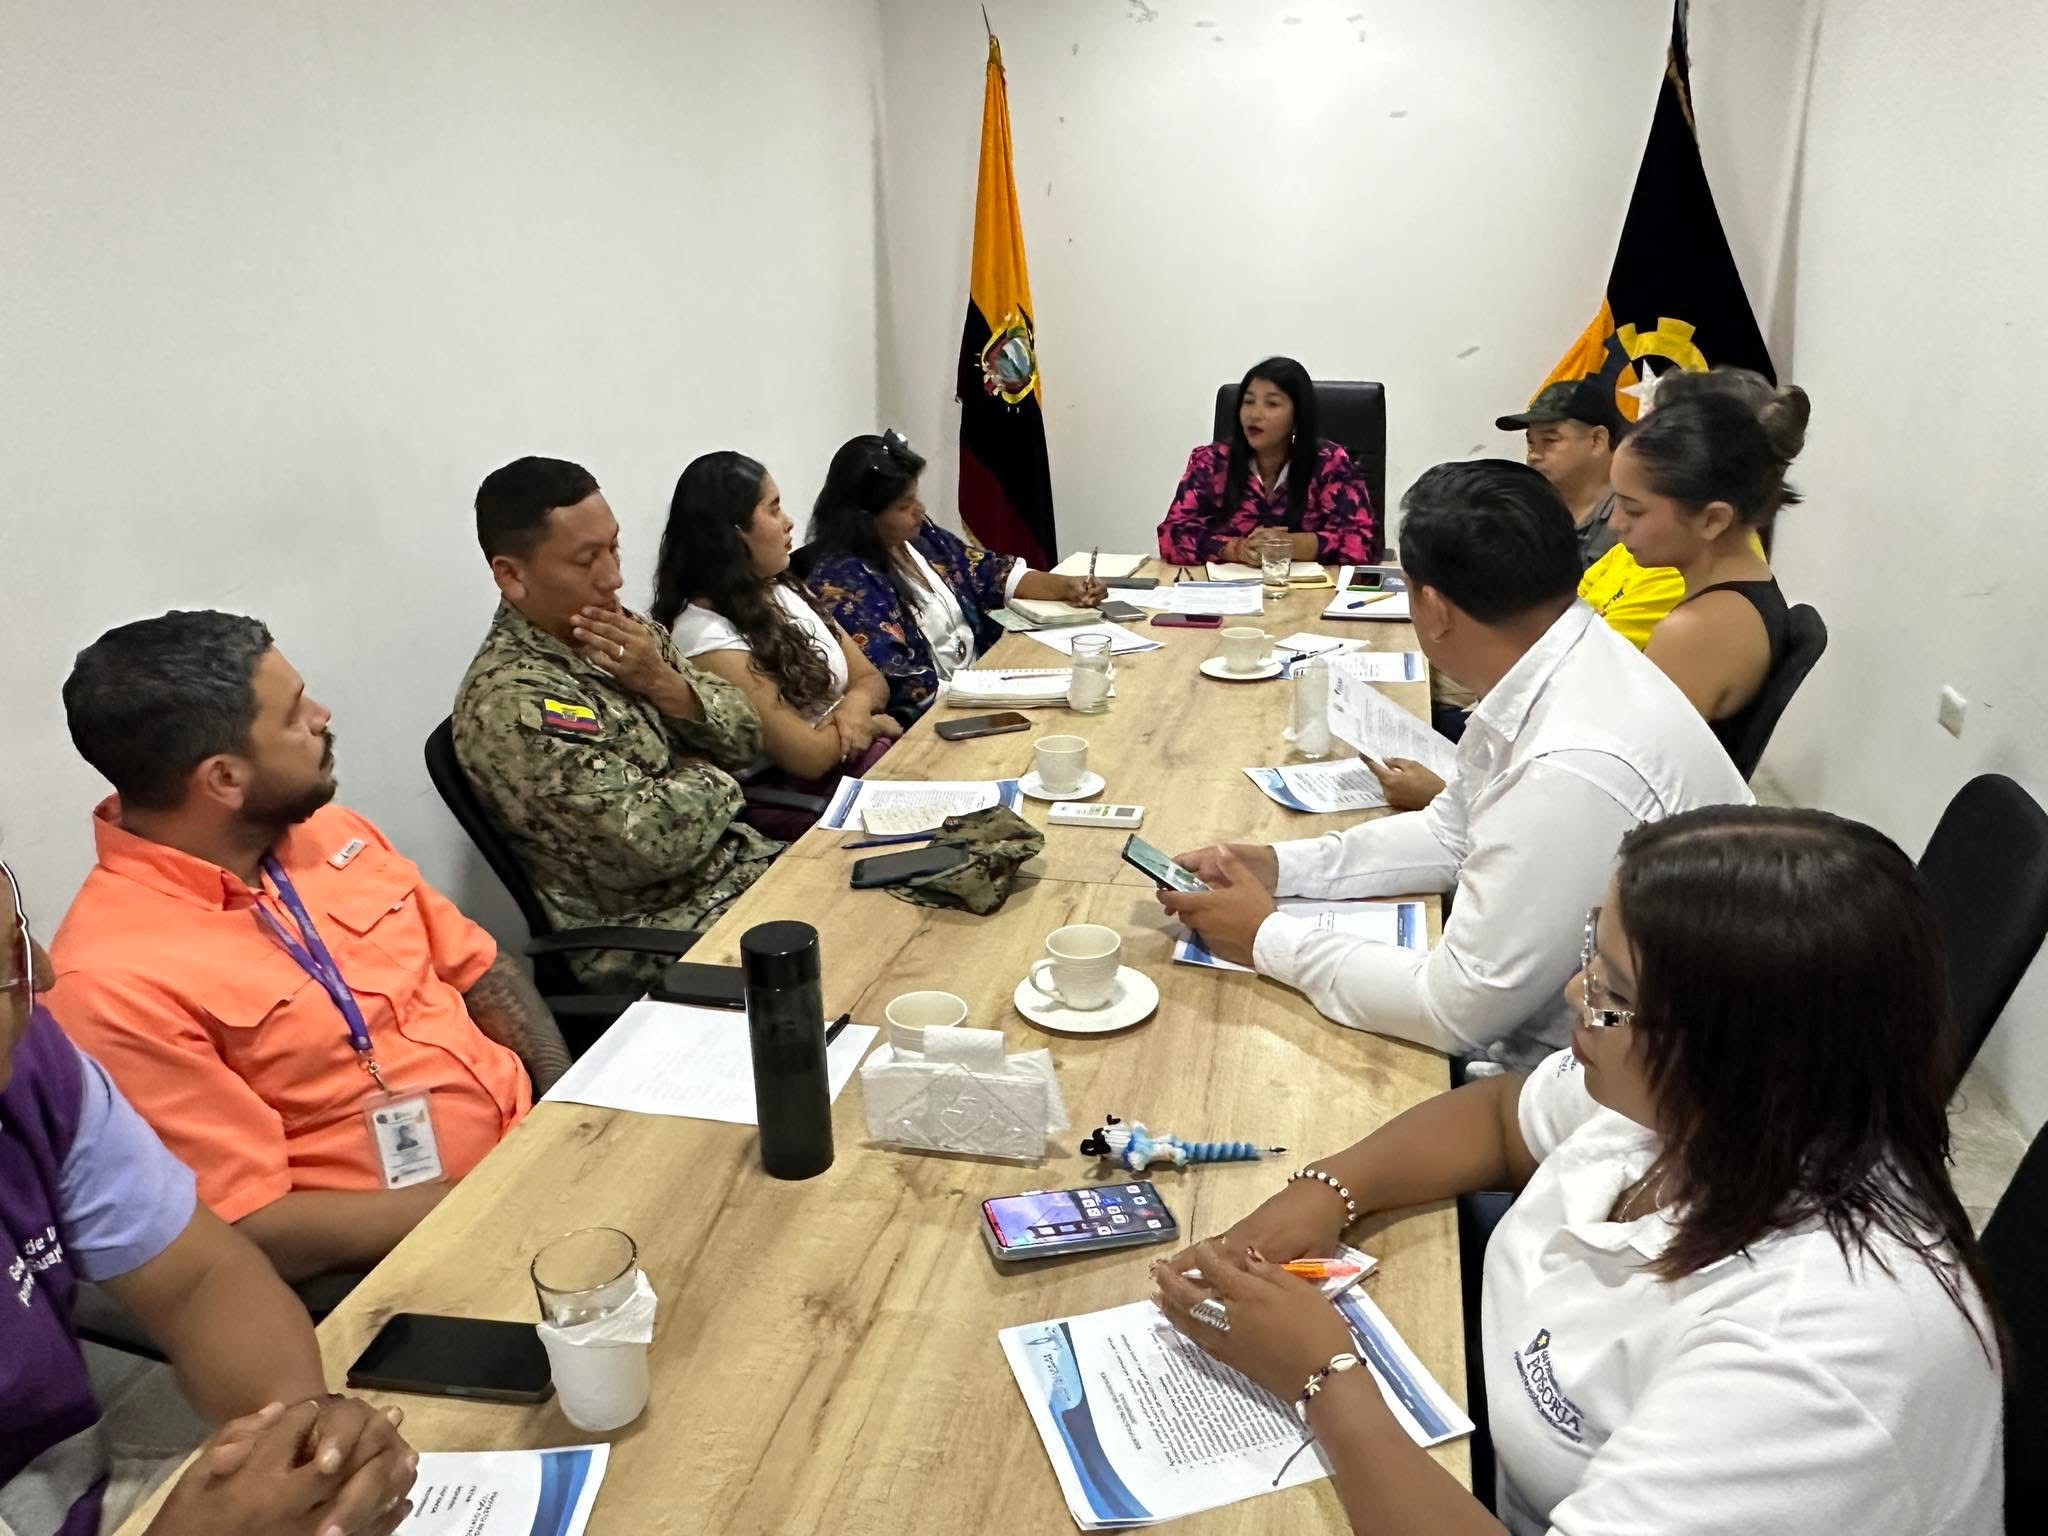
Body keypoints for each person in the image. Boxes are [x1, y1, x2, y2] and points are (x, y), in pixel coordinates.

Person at [1152, 807, 2002, 1533]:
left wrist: (1322, 1378)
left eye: (1615, 993)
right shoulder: (1708, 1106)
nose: (1576, 994)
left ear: (1739, 1055)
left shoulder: (1821, 1348)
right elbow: (1498, 1116)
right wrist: (1327, 1191)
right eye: (1597, 950)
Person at [1160, 460, 1750, 1069]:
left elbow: (1453, 1011)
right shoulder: (1559, 661)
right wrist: (1280, 866)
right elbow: (1452, 834)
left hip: (1631, 1080)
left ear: (1435, 607)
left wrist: (1264, 937)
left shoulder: (1570, 764)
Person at [49, 612, 556, 1284]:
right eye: (293, 715)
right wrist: (502, 1202)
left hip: (537, 1151)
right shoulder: (109, 982)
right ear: (224, 779)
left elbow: (482, 971)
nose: (321, 717)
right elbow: (250, 1225)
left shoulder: (328, 833)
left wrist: (572, 1110)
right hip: (417, 1256)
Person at [4, 854, 419, 1536]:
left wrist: (308, 1455)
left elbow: (199, 1279)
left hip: (75, 1494)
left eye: (19, 937)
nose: (41, 977)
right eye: (5, 968)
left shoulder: (32, 1064)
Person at [453, 456, 780, 990]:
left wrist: (665, 683)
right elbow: (651, 845)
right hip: (666, 937)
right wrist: (711, 771)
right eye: (587, 560)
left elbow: (746, 739)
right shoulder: (513, 702)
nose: (613, 577)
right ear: (512, 575)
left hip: (746, 870)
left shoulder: (625, 633)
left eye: (614, 548)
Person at [651, 451, 902, 834]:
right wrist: (872, 723)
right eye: (773, 509)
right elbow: (807, 757)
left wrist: (854, 709)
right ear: (735, 532)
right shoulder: (704, 635)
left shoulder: (782, 585)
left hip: (855, 766)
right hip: (803, 800)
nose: (788, 522)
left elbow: (870, 679)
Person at [802, 431, 1106, 723]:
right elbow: (903, 685)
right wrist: (1002, 693)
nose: (920, 510)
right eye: (904, 505)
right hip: (940, 716)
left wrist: (1065, 586)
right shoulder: (842, 584)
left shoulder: (921, 538)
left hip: (984, 686)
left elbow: (987, 573)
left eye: (915, 497)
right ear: (863, 519)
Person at [1608, 387, 1811, 758]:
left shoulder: (1692, 631)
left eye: (1633, 510)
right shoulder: (1745, 585)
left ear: (1713, 519)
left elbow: (1632, 767)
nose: (1616, 523)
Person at [1157, 356, 1377, 568]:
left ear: (1298, 415)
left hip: (1312, 589)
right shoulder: (1211, 462)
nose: (1254, 414)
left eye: (1272, 403)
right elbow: (1172, 534)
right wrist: (1236, 549)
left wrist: (1289, 545)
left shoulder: (1330, 463)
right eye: (1248, 402)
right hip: (1229, 589)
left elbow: (1362, 542)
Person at [1495, 378, 1629, 568]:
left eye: (1549, 441)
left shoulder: (1637, 515)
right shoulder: (1524, 514)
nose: (1533, 455)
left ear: (1597, 440)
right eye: (1531, 443)